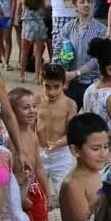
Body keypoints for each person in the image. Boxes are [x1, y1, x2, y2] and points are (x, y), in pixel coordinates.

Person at [54, 113, 109, 221]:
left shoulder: (98, 174)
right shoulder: (73, 184)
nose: (103, 153)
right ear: (75, 150)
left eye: (106, 146)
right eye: (96, 148)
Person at [9, 87, 49, 221]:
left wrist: (47, 192)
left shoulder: (32, 135)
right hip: (17, 193)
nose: (32, 111)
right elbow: (7, 175)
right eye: (26, 108)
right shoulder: (9, 141)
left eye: (34, 106)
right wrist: (21, 198)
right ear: (11, 112)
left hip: (34, 189)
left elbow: (39, 166)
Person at [53, 0, 106, 108]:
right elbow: (57, 50)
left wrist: (76, 72)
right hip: (71, 84)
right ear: (75, 6)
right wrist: (60, 73)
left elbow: (98, 58)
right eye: (82, 2)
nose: (86, 4)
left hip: (92, 83)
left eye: (89, 2)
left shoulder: (101, 29)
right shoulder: (68, 27)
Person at [36, 64, 77, 204]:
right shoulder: (36, 101)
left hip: (60, 153)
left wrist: (57, 144)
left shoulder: (70, 105)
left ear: (64, 84)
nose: (51, 92)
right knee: (37, 190)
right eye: (47, 86)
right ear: (41, 82)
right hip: (39, 150)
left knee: (62, 192)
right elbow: (30, 127)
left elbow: (71, 132)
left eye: (56, 86)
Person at [20, 0, 47, 83]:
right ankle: (37, 76)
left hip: (27, 26)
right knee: (38, 53)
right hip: (39, 26)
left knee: (24, 52)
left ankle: (22, 75)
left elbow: (18, 12)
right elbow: (44, 11)